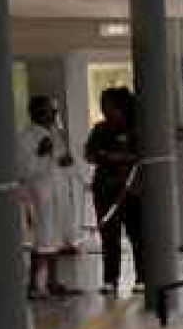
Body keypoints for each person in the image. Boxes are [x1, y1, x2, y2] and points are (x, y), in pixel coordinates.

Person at [16, 97, 82, 298]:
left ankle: (53, 282)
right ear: (35, 113)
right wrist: (40, 153)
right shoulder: (25, 138)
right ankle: (34, 285)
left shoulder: (55, 134)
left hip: (58, 192)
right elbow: (23, 170)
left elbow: (64, 163)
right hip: (40, 195)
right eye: (49, 111)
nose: (54, 115)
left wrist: (68, 163)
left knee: (56, 239)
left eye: (54, 111)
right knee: (42, 239)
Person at [84, 86, 144, 296]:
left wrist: (115, 157)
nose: (104, 108)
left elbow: (141, 156)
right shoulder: (100, 129)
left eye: (108, 104)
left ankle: (142, 277)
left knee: (137, 235)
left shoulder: (136, 129)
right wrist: (111, 157)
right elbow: (90, 154)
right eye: (102, 104)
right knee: (109, 236)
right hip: (104, 190)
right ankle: (110, 279)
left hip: (131, 190)